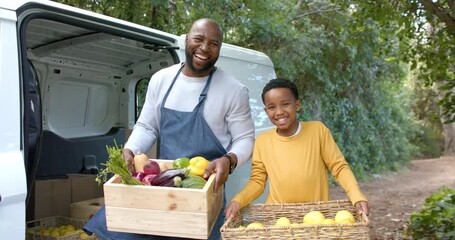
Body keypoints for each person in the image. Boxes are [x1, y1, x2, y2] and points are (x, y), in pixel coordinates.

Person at [84, 18, 255, 240]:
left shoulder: (233, 90)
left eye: (214, 44)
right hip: (163, 185)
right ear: (186, 39)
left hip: (204, 192)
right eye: (199, 39)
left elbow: (245, 138)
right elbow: (147, 126)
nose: (204, 48)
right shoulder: (161, 80)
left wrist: (230, 160)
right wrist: (130, 149)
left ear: (219, 49)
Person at [224, 78, 370, 221]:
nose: (279, 111)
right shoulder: (263, 141)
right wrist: (238, 200)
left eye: (285, 104)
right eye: (272, 107)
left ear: (297, 105)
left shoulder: (318, 131)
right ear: (266, 111)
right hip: (279, 220)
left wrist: (356, 195)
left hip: (317, 218)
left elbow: (339, 167)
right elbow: (257, 181)